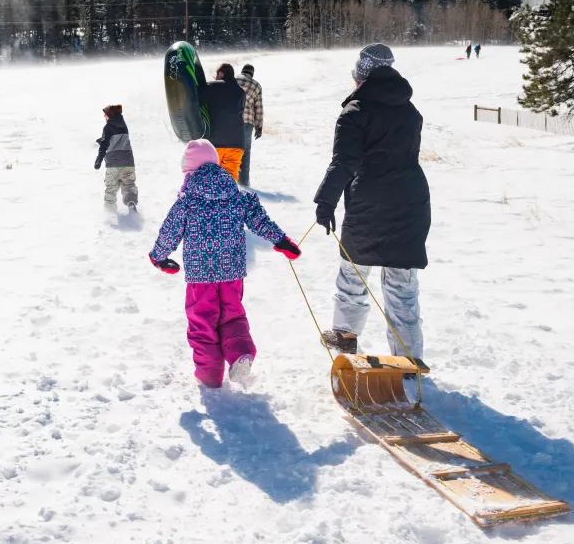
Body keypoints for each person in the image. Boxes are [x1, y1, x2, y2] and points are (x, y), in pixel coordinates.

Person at [150, 139, 302, 388]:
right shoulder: (236, 195)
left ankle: (210, 375)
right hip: (232, 271)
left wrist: (158, 256)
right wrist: (281, 241)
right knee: (232, 315)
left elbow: (170, 231)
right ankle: (240, 354)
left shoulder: (187, 200)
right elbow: (259, 219)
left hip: (201, 276)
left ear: (189, 171)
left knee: (202, 321)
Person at [313, 44, 431, 360]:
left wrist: (326, 201)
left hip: (369, 201)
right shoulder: (410, 111)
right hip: (411, 201)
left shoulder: (355, 112)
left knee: (353, 271)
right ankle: (409, 355)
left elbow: (344, 161)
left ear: (361, 78)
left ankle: (344, 336)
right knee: (402, 283)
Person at [201, 63, 246, 182]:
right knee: (230, 182)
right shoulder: (241, 91)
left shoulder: (212, 86)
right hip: (237, 143)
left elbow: (197, 102)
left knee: (211, 181)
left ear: (221, 73)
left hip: (216, 142)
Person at [94, 104, 138, 210]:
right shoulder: (123, 125)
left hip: (113, 163)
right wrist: (102, 140)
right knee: (129, 185)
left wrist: (99, 159)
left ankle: (110, 213)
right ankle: (131, 202)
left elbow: (105, 144)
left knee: (111, 189)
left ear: (110, 115)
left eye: (105, 115)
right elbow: (117, 140)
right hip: (128, 161)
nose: (105, 117)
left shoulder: (108, 127)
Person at [236, 64, 264, 187]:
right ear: (252, 74)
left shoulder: (233, 79)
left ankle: (228, 180)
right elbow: (259, 108)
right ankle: (243, 182)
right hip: (247, 122)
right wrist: (259, 126)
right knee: (245, 151)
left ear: (242, 71)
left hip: (231, 119)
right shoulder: (256, 86)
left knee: (230, 149)